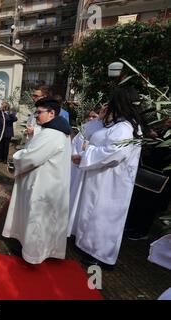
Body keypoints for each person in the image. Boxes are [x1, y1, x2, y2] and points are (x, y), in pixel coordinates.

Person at [73, 87, 143, 269]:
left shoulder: (125, 128)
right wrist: (100, 119)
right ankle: (89, 246)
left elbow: (114, 154)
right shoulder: (117, 124)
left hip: (112, 181)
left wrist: (88, 151)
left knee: (105, 215)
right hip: (101, 176)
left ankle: (102, 255)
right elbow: (88, 132)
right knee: (93, 213)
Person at [2, 98, 72, 264]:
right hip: (46, 182)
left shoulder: (52, 134)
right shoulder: (53, 130)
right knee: (40, 219)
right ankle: (35, 249)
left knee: (38, 219)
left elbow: (31, 157)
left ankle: (33, 254)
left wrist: (15, 158)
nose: (37, 115)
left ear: (52, 113)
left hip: (44, 185)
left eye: (39, 112)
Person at [67, 110, 104, 237]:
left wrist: (83, 156)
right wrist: (74, 155)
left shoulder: (102, 131)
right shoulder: (84, 128)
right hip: (74, 166)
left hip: (86, 167)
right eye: (89, 115)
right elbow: (74, 143)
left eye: (94, 116)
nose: (91, 118)